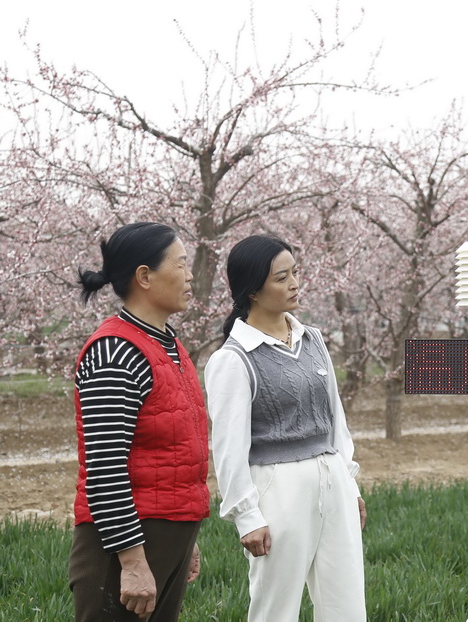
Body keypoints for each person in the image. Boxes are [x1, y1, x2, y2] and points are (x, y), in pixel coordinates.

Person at [204, 234, 366, 621]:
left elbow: (335, 418)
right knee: (275, 609)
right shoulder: (233, 359)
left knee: (346, 603)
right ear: (252, 290)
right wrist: (247, 516)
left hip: (333, 479)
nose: (294, 283)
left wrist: (351, 484)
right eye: (281, 277)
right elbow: (228, 447)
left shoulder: (313, 339)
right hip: (277, 488)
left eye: (295, 272)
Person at [69, 222, 209, 621]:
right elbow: (105, 467)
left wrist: (184, 538)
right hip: (124, 543)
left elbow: (170, 452)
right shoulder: (116, 352)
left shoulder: (167, 343)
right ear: (144, 276)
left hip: (163, 534)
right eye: (180, 264)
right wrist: (132, 560)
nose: (190, 275)